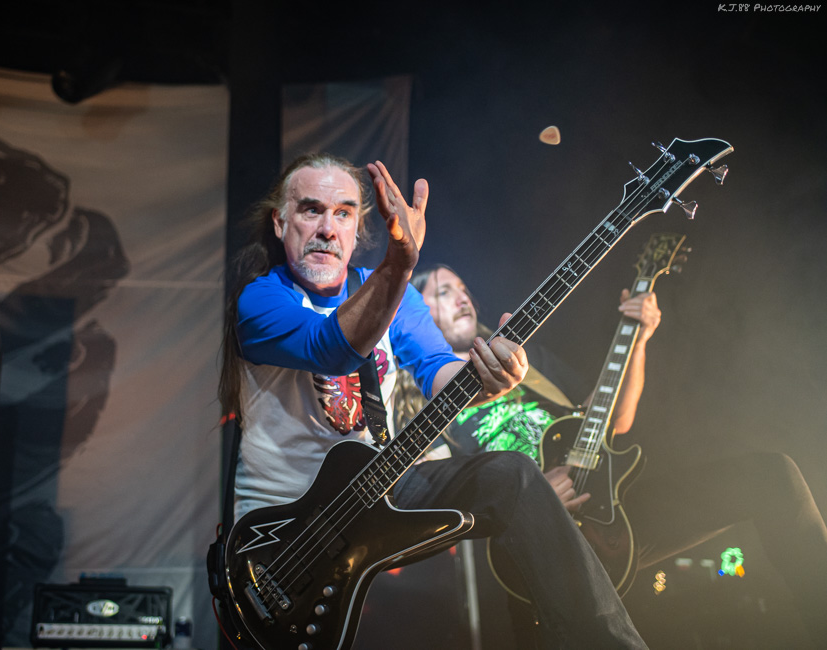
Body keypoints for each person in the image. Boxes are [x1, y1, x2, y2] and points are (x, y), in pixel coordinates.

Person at [219, 152, 647, 648]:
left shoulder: (396, 296)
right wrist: (401, 263)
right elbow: (330, 348)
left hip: (369, 494)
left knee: (511, 475)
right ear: (280, 221)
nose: (327, 229)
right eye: (311, 210)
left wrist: (488, 376)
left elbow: (441, 375)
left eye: (343, 214)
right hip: (282, 537)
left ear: (359, 228)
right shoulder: (260, 300)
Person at [404, 263, 827, 648]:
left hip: (610, 509)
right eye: (443, 292)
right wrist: (529, 493)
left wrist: (637, 341)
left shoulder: (527, 362)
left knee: (775, 476)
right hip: (527, 552)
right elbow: (430, 499)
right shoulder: (422, 404)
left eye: (463, 287)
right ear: (417, 318)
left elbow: (610, 421)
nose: (462, 296)